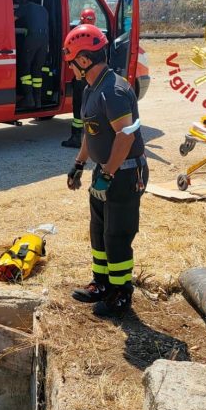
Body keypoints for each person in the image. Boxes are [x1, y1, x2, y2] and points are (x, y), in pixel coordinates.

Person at [64, 24, 148, 316]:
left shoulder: (113, 91)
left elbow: (125, 137)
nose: (70, 68)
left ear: (84, 59)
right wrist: (79, 164)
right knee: (99, 230)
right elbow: (92, 132)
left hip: (124, 173)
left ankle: (121, 293)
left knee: (117, 234)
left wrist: (109, 175)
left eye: (71, 61)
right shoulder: (92, 88)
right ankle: (101, 283)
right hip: (106, 171)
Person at [62, 7, 97, 148]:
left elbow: (69, 52)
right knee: (92, 107)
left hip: (80, 78)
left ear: (81, 19)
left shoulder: (77, 34)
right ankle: (94, 137)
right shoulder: (97, 35)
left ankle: (76, 137)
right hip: (94, 78)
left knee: (78, 107)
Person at [15, 0, 49, 109]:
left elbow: (11, 19)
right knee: (37, 70)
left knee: (24, 66)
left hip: (33, 38)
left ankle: (28, 98)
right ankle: (37, 100)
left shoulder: (26, 7)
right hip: (44, 40)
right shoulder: (43, 9)